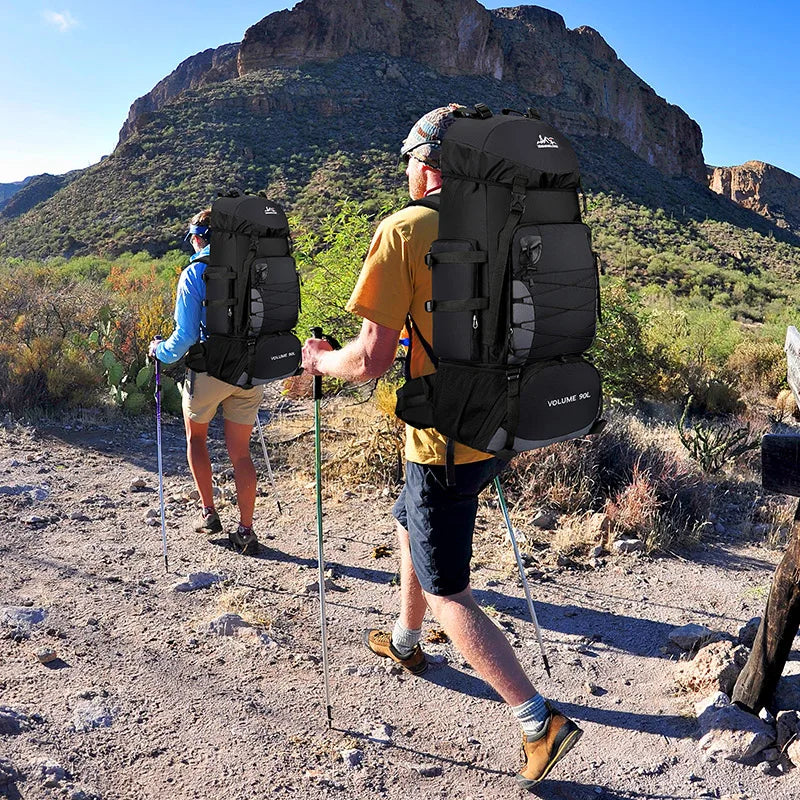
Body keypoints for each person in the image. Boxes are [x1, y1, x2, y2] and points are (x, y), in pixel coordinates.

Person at [301, 106, 583, 789]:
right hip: (503, 422)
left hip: (442, 441)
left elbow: (369, 361)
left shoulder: (406, 228)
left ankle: (536, 720)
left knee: (448, 585)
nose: (402, 171)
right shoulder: (511, 222)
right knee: (408, 521)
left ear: (427, 162)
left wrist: (315, 361)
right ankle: (405, 639)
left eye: (406, 159)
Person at [148, 209, 262, 556]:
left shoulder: (194, 273)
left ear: (198, 238)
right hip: (249, 370)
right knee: (241, 452)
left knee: (196, 437)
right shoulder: (254, 269)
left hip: (209, 371)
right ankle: (246, 530)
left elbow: (183, 337)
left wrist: (158, 352)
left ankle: (210, 514)